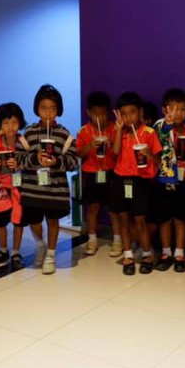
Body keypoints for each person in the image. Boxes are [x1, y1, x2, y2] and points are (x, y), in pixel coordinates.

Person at [17, 85, 79, 275]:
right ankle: (40, 245)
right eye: (44, 108)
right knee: (33, 221)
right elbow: (18, 158)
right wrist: (35, 158)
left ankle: (51, 255)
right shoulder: (29, 132)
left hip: (55, 190)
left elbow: (73, 161)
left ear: (58, 110)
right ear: (37, 109)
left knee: (53, 221)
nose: (48, 113)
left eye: (52, 108)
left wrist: (56, 162)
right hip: (32, 189)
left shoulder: (64, 134)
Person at [110, 91, 163, 275]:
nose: (128, 118)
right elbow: (115, 152)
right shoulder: (119, 131)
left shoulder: (148, 133)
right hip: (121, 179)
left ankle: (148, 254)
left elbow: (159, 161)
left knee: (140, 220)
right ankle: (128, 255)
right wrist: (118, 130)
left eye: (132, 112)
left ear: (140, 112)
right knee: (124, 218)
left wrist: (149, 154)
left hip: (141, 181)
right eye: (124, 114)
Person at [151, 88, 185, 273]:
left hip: (184, 181)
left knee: (181, 218)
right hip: (165, 179)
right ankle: (166, 252)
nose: (178, 113)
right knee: (165, 218)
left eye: (183, 109)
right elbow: (161, 133)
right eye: (174, 109)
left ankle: (179, 252)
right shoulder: (160, 126)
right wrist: (168, 124)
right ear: (165, 110)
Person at [76, 91, 119, 256]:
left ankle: (117, 240)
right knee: (92, 207)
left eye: (103, 114)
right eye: (96, 114)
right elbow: (79, 153)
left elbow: (118, 154)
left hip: (110, 172)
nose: (100, 118)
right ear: (89, 113)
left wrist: (111, 145)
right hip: (91, 173)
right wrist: (90, 146)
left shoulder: (114, 129)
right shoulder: (84, 131)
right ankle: (92, 239)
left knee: (113, 208)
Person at [0, 102, 26, 268]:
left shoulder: (23, 142)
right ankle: (3, 250)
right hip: (0, 187)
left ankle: (16, 252)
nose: (10, 127)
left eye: (14, 122)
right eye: (6, 123)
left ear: (20, 123)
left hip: (19, 187)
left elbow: (29, 162)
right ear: (0, 124)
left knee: (18, 220)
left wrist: (19, 164)